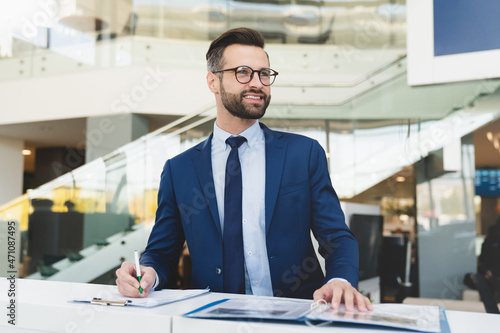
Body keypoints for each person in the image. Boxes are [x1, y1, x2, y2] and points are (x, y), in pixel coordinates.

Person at [116, 27, 372, 312]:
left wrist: (340, 279)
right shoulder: (180, 169)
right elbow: (162, 252)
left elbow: (336, 236)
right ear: (213, 82)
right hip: (213, 317)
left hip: (295, 315)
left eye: (264, 74)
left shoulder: (304, 154)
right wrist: (147, 273)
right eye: (243, 72)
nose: (257, 83)